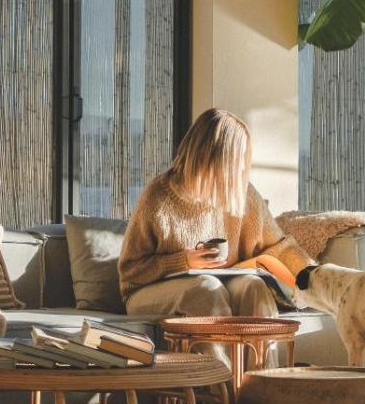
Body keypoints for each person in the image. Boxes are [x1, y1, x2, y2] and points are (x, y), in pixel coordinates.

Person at [119, 108, 311, 319]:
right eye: (237, 159)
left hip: (221, 284)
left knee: (254, 287)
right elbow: (131, 271)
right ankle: (217, 344)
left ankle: (264, 343)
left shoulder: (243, 194)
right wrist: (183, 261)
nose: (242, 167)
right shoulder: (158, 196)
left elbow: (281, 248)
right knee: (205, 289)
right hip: (147, 292)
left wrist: (316, 277)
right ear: (211, 155)